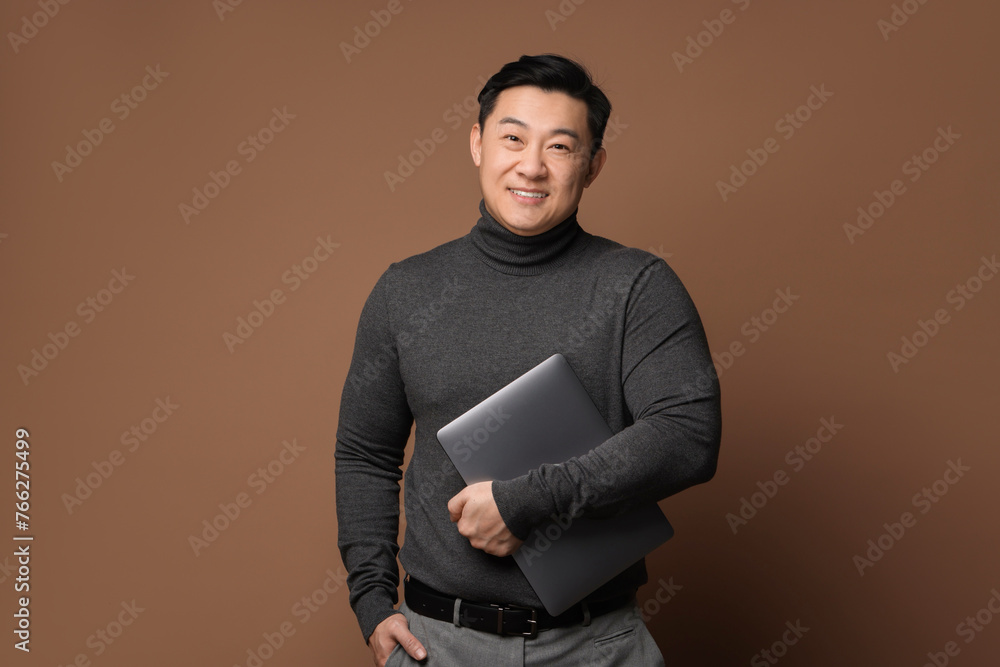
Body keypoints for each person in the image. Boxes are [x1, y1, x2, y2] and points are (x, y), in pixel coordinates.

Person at [335, 53, 722, 666]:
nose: (532, 167)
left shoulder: (637, 285)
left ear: (593, 167)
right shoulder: (405, 291)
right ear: (477, 143)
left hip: (595, 645)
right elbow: (366, 454)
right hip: (436, 643)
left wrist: (526, 501)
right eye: (512, 138)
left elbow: (688, 436)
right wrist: (371, 601)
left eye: (561, 148)